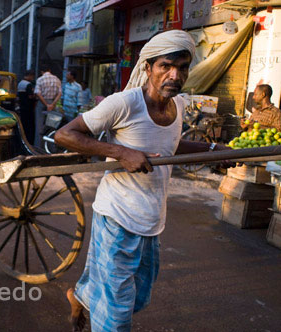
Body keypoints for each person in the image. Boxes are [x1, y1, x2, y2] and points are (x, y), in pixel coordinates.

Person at [55, 30, 235, 332]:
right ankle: (94, 306)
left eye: (182, 67)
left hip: (152, 218)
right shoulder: (123, 103)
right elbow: (65, 135)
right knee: (117, 312)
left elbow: (170, 147)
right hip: (117, 216)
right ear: (148, 67)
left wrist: (214, 149)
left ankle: (82, 295)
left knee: (138, 297)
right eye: (166, 66)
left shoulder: (177, 107)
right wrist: (120, 152)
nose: (174, 75)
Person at [33, 65, 61, 147]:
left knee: (39, 126)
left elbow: (38, 93)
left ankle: (38, 146)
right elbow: (59, 93)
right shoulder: (57, 79)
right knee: (52, 126)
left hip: (42, 104)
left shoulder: (40, 79)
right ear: (49, 70)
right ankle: (51, 147)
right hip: (53, 103)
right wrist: (52, 104)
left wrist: (46, 104)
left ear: (42, 72)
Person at [17, 70, 36, 144]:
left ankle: (23, 140)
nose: (32, 78)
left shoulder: (20, 83)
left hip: (22, 107)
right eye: (32, 77)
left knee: (23, 124)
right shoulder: (28, 84)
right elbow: (30, 96)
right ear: (29, 75)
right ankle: (29, 141)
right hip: (29, 108)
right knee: (30, 126)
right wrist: (35, 96)